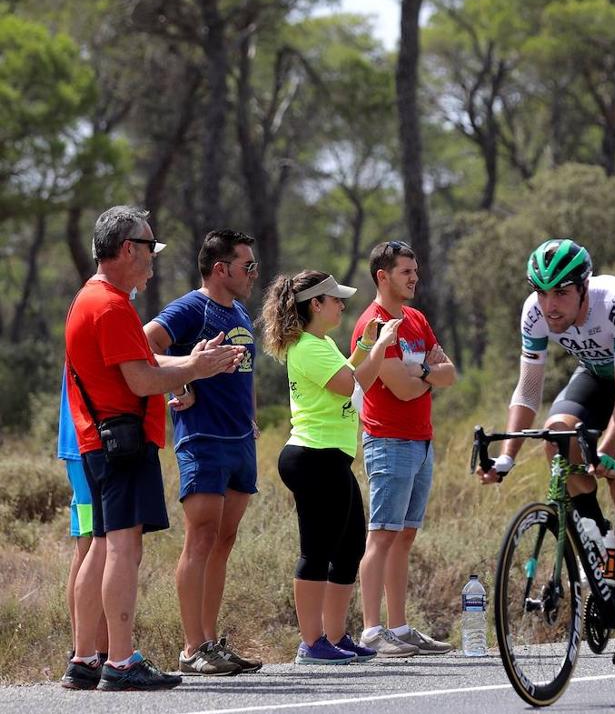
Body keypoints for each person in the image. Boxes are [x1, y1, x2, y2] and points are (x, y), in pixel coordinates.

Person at [61, 205, 244, 692]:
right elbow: (142, 379)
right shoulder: (112, 304)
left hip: (97, 442)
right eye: (148, 248)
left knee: (100, 545)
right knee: (123, 547)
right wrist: (196, 370)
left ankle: (84, 659)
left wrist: (189, 360)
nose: (153, 259)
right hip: (122, 442)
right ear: (127, 250)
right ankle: (120, 661)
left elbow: (139, 359)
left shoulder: (91, 299)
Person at [476, 239, 615, 661]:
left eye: (562, 293)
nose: (550, 306)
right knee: (555, 433)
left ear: (584, 288)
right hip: (596, 374)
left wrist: (604, 450)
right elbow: (528, 391)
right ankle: (601, 538)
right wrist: (507, 457)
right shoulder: (534, 312)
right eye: (542, 292)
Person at [259, 269, 402, 664]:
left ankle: (335, 636)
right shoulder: (308, 346)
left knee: (351, 543)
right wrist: (381, 349)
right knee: (318, 550)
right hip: (312, 456)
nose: (342, 304)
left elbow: (347, 375)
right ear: (315, 305)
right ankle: (312, 642)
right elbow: (353, 385)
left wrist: (366, 346)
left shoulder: (322, 342)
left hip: (329, 457)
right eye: (334, 299)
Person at [144, 229, 264, 675]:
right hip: (203, 439)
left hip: (239, 442)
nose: (254, 273)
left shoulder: (241, 312)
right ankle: (192, 648)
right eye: (247, 266)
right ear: (221, 269)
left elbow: (244, 372)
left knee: (224, 540)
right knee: (201, 538)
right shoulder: (191, 307)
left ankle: (210, 643)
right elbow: (146, 345)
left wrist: (251, 419)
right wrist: (183, 380)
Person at [351, 241, 455, 657]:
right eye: (405, 272)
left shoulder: (415, 318)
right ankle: (372, 631)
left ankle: (400, 627)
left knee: (404, 537)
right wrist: (427, 374)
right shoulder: (373, 325)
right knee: (382, 536)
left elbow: (449, 373)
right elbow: (404, 388)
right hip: (389, 442)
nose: (415, 278)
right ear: (383, 276)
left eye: (415, 270)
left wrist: (424, 370)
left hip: (422, 441)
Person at [57, 372, 109, 677]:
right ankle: (87, 653)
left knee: (89, 543)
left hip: (84, 443)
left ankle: (89, 650)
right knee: (91, 543)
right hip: (85, 443)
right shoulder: (92, 322)